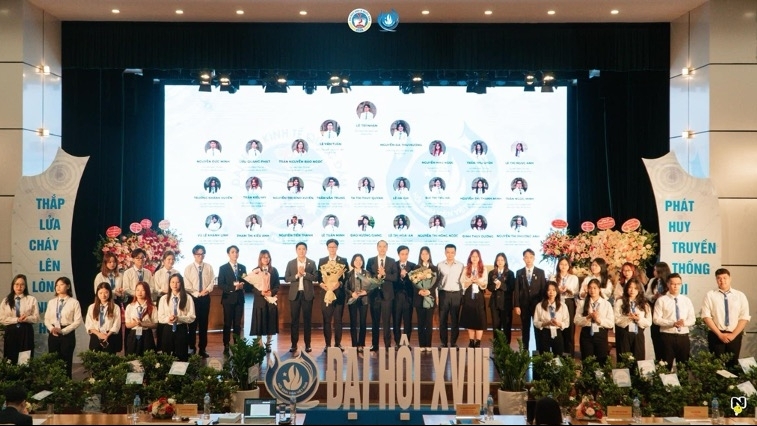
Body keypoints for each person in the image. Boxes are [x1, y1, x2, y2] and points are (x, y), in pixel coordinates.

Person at [701, 268, 750, 366]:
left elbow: (744, 317)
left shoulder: (740, 295)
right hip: (716, 335)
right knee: (716, 366)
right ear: (716, 280)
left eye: (724, 278)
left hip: (734, 335)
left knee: (733, 365)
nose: (722, 280)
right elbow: (706, 316)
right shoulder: (710, 295)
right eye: (719, 278)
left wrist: (733, 335)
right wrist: (720, 334)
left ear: (730, 278)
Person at [653, 273, 695, 370]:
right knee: (665, 367)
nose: (676, 286)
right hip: (667, 336)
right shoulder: (661, 300)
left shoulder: (686, 300)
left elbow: (692, 319)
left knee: (683, 367)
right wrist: (672, 323)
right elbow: (656, 319)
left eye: (678, 284)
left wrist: (683, 323)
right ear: (668, 284)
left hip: (683, 337)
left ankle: (683, 380)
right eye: (673, 284)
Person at [44, 277, 82, 378]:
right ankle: (54, 382)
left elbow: (78, 321)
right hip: (53, 333)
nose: (58, 287)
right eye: (57, 285)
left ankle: (66, 383)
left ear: (68, 286)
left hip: (67, 334)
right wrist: (51, 328)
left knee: (66, 360)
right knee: (53, 360)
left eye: (61, 285)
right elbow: (46, 319)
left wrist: (63, 331)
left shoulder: (74, 302)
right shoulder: (51, 302)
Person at [285, 242, 317, 353]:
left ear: (306, 250)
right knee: (294, 320)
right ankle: (294, 344)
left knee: (307, 320)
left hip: (307, 294)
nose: (301, 251)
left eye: (303, 249)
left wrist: (305, 274)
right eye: (299, 249)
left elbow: (316, 277)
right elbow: (286, 278)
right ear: (296, 250)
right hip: (295, 295)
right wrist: (297, 275)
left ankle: (308, 344)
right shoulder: (291, 263)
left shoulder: (312, 263)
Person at [513, 248, 548, 352]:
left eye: (530, 257)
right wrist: (516, 305)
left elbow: (543, 289)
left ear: (534, 258)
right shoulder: (519, 272)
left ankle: (539, 351)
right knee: (525, 329)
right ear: (523, 259)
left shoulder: (540, 272)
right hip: (523, 305)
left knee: (538, 328)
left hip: (537, 305)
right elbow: (517, 290)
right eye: (526, 257)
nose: (528, 259)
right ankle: (525, 351)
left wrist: (543, 305)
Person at [317, 239, 349, 350]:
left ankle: (337, 343)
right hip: (326, 294)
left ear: (337, 248)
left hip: (339, 294)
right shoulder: (322, 261)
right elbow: (318, 277)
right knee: (326, 320)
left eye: (334, 247)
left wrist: (339, 283)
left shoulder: (343, 261)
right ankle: (327, 344)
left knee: (338, 320)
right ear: (327, 248)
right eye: (330, 247)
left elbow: (346, 277)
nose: (332, 249)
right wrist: (322, 285)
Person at [184, 244, 215, 358]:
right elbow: (187, 285)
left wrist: (206, 290)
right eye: (198, 254)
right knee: (192, 324)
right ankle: (192, 348)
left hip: (205, 298)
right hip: (193, 298)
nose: (200, 256)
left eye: (202, 254)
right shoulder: (188, 268)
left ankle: (202, 349)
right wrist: (197, 293)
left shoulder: (209, 267)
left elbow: (212, 281)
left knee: (203, 324)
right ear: (194, 255)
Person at [0, 274, 39, 364]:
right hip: (11, 331)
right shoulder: (6, 300)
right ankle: (11, 373)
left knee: (25, 359)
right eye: (17, 284)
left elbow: (36, 318)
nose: (19, 287)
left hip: (26, 331)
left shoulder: (31, 299)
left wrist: (27, 318)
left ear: (25, 286)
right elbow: (1, 318)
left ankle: (25, 373)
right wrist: (17, 320)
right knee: (10, 357)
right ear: (13, 285)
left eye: (22, 284)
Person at [574, 278, 614, 365]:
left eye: (595, 288)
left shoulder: (606, 304)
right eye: (590, 288)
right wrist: (587, 317)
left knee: (601, 362)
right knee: (587, 361)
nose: (592, 290)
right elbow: (576, 320)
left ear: (599, 289)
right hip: (586, 334)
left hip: (601, 334)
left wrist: (599, 320)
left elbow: (611, 323)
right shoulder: (582, 303)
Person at [366, 240, 398, 351]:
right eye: (380, 246)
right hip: (374, 296)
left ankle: (388, 345)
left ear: (387, 248)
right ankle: (374, 345)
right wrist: (377, 276)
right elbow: (368, 277)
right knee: (375, 322)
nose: (382, 248)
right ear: (377, 247)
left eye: (384, 246)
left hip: (387, 296)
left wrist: (385, 275)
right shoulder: (370, 261)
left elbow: (395, 277)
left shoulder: (392, 261)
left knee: (386, 322)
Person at [159, 273, 196, 361]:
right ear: (169, 283)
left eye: (177, 282)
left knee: (182, 356)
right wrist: (169, 319)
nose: (175, 284)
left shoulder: (187, 298)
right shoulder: (164, 298)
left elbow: (192, 316)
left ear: (181, 283)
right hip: (168, 328)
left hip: (181, 328)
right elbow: (160, 317)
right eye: (172, 282)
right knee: (166, 356)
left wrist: (179, 318)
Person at [218, 245, 247, 355]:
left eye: (237, 252)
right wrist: (233, 288)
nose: (235, 254)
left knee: (237, 324)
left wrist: (243, 285)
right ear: (228, 254)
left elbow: (246, 282)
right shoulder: (223, 268)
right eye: (233, 252)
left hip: (239, 300)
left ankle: (237, 345)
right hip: (228, 300)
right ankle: (226, 345)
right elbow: (221, 284)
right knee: (227, 324)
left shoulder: (242, 267)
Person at [249, 250, 280, 352]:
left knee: (270, 321)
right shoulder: (255, 271)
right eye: (264, 257)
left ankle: (268, 343)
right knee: (259, 321)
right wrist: (260, 292)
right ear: (260, 258)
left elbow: (277, 285)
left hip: (270, 300)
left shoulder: (274, 270)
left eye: (267, 257)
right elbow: (252, 288)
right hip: (260, 300)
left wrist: (271, 292)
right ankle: (259, 343)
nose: (266, 259)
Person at [614, 278, 651, 361]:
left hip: (638, 333)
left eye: (635, 288)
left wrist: (638, 319)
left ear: (639, 290)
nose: (632, 290)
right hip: (624, 333)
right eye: (630, 287)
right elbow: (616, 319)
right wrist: (628, 318)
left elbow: (649, 322)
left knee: (639, 358)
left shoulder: (644, 304)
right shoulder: (620, 302)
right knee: (624, 359)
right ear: (626, 289)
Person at [550, 257, 579, 357]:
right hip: (557, 302)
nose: (563, 266)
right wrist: (558, 290)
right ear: (558, 265)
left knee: (569, 328)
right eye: (561, 264)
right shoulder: (553, 277)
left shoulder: (573, 278)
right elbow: (550, 290)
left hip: (568, 302)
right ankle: (558, 353)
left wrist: (568, 290)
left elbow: (576, 292)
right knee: (557, 326)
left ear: (569, 266)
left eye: (565, 264)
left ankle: (569, 355)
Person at [437, 244, 464, 348]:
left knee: (455, 320)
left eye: (452, 252)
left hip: (456, 294)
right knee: (442, 320)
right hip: (443, 294)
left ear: (455, 253)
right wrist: (437, 296)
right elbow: (437, 282)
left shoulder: (460, 265)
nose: (450, 254)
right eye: (448, 252)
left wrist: (462, 295)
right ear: (445, 253)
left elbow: (463, 281)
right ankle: (443, 342)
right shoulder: (440, 265)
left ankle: (453, 343)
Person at [459, 249, 488, 348]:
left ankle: (478, 342)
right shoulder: (466, 269)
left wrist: (478, 281)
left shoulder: (483, 269)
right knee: (470, 318)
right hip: (468, 296)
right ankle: (471, 341)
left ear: (479, 258)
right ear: (470, 258)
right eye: (473, 256)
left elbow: (485, 284)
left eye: (476, 256)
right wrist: (470, 281)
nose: (474, 258)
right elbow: (462, 283)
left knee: (479, 319)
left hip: (479, 296)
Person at [534, 281, 569, 355]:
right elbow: (536, 322)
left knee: (558, 357)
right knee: (545, 357)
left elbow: (567, 322)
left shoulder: (563, 306)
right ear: (546, 292)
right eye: (549, 290)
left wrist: (558, 324)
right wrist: (546, 323)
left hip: (557, 332)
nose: (551, 292)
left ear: (557, 291)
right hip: (545, 333)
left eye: (553, 290)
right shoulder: (539, 306)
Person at [413, 247, 438, 352]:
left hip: (430, 298)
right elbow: (413, 283)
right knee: (421, 323)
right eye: (422, 254)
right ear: (420, 255)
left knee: (429, 323)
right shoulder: (416, 267)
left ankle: (428, 344)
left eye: (426, 254)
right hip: (419, 298)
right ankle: (421, 345)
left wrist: (429, 291)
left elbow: (436, 282)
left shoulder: (434, 268)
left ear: (429, 255)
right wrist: (419, 291)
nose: (424, 256)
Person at [85, 282, 122, 353]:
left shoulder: (115, 307)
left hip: (109, 337)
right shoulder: (91, 307)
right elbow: (89, 324)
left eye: (106, 292)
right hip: (96, 336)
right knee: (94, 358)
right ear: (97, 294)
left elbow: (116, 324)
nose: (103, 295)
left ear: (110, 293)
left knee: (109, 359)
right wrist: (99, 334)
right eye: (100, 293)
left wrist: (107, 335)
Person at [488, 253, 515, 345]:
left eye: (502, 260)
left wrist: (501, 285)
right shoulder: (491, 273)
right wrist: (495, 287)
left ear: (505, 261)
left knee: (507, 327)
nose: (500, 262)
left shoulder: (510, 273)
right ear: (496, 261)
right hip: (494, 303)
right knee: (496, 327)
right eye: (498, 260)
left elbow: (511, 287)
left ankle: (506, 347)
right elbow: (489, 287)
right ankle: (497, 347)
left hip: (506, 304)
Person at [152, 250, 178, 349]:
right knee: (162, 322)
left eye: (173, 259)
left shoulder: (177, 273)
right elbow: (155, 288)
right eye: (169, 259)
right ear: (164, 260)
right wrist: (162, 291)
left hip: (174, 299)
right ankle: (160, 347)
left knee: (173, 319)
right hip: (162, 299)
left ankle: (173, 345)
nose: (171, 261)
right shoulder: (158, 273)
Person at [124, 281, 157, 355]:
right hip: (133, 334)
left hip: (146, 334)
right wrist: (136, 323)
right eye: (137, 290)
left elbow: (155, 324)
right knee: (132, 357)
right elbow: (127, 325)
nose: (140, 292)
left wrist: (143, 324)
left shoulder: (152, 307)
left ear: (147, 291)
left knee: (147, 357)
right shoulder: (130, 306)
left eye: (143, 290)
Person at [646, 261, 670, 361]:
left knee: (665, 341)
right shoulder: (652, 281)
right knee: (655, 337)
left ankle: (666, 362)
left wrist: (663, 296)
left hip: (666, 313)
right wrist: (653, 297)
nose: (654, 272)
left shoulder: (669, 281)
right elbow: (647, 295)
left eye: (655, 270)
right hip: (654, 311)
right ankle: (658, 360)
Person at [346, 254, 370, 352]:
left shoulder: (367, 273)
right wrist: (351, 293)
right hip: (353, 300)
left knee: (363, 322)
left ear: (363, 262)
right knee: (353, 322)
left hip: (364, 300)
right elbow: (345, 287)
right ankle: (354, 344)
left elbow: (371, 286)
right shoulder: (349, 274)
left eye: (360, 260)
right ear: (353, 262)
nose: (358, 262)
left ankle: (361, 344)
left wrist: (366, 292)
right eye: (356, 260)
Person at [393, 245, 416, 349]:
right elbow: (392, 281)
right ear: (398, 254)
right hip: (396, 297)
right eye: (402, 254)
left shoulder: (413, 266)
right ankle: (398, 343)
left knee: (407, 322)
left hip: (408, 298)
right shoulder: (393, 265)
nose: (404, 256)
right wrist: (400, 276)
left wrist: (406, 276)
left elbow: (414, 282)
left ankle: (406, 343)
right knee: (396, 321)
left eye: (406, 254)